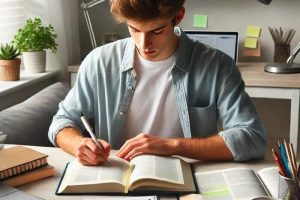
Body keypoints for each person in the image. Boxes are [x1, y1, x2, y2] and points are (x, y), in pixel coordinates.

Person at [48, 0, 267, 165]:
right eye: (134, 29)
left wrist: (170, 145)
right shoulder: (99, 61)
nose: (145, 44)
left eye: (157, 30)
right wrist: (79, 144)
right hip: (117, 177)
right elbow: (62, 123)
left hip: (187, 179)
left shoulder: (217, 65)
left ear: (178, 16)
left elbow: (252, 138)